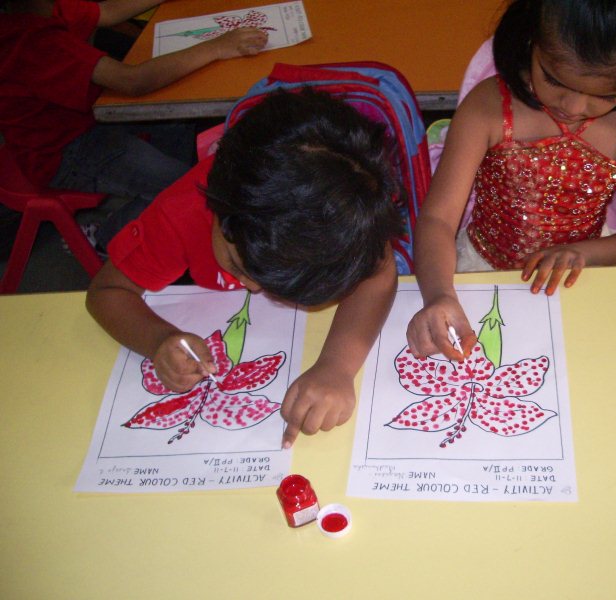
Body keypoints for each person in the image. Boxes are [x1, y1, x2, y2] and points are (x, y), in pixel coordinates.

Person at [86, 88, 404, 449]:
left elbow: (379, 273)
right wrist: (158, 340)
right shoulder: (180, 216)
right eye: (238, 266)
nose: (252, 288)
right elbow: (107, 293)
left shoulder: (351, 210)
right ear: (218, 211)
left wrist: (337, 366)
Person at [406, 0, 616, 360]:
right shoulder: (489, 107)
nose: (572, 107)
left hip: (588, 271)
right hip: (481, 265)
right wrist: (439, 295)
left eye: (605, 95)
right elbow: (438, 219)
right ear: (530, 40)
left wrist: (582, 253)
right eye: (554, 80)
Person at [0, 0, 268, 249]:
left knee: (178, 128)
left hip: (86, 120)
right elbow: (133, 81)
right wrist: (217, 47)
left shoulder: (39, 10)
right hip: (62, 153)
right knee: (182, 188)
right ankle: (107, 239)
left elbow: (107, 12)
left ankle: (178, 213)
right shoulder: (30, 39)